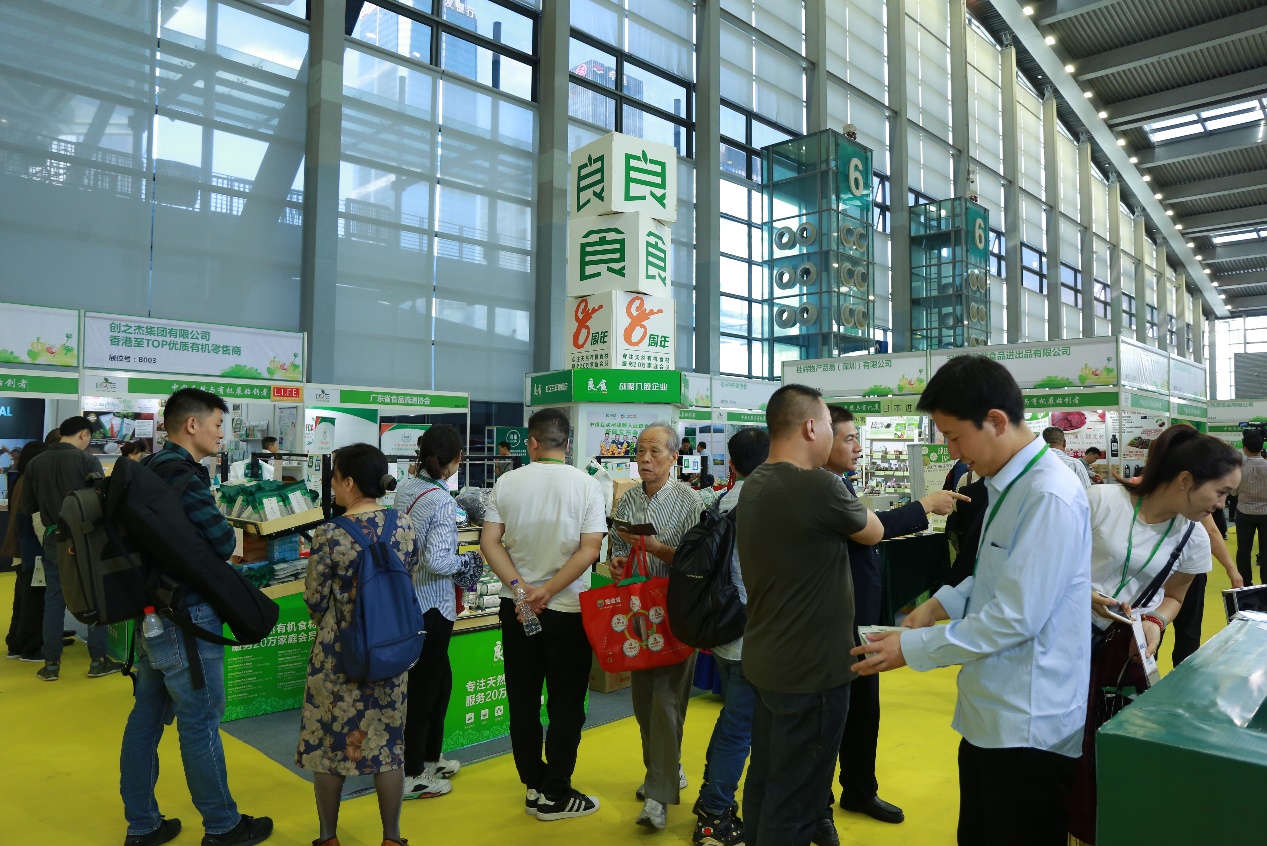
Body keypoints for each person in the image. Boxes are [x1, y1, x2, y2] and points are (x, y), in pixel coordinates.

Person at [852, 355, 1092, 846]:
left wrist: (910, 648)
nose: (952, 450)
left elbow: (1015, 617)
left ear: (997, 421)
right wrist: (939, 604)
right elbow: (993, 575)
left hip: (1028, 723)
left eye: (955, 436)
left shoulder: (1048, 494)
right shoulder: (1008, 485)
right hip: (992, 712)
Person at [120, 389, 273, 846]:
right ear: (192, 425)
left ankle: (143, 824)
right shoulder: (184, 475)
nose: (221, 434)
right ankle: (223, 825)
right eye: (218, 425)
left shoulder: (147, 470)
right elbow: (223, 542)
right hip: (187, 615)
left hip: (152, 612)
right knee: (200, 719)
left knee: (146, 716)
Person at [735, 384, 883, 846]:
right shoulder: (816, 485)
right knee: (797, 806)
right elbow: (874, 531)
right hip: (812, 672)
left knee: (766, 786)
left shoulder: (755, 483)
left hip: (769, 660)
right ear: (811, 427)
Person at [821, 406, 968, 840]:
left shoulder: (839, 483)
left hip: (861, 618)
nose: (857, 447)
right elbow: (873, 529)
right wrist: (924, 506)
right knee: (831, 716)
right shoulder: (819, 487)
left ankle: (859, 790)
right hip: (832, 620)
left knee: (864, 709)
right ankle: (818, 807)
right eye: (849, 438)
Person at [480, 408, 606, 822]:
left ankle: (534, 784)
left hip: (517, 610)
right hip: (567, 610)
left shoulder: (507, 482)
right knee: (566, 704)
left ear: (532, 443)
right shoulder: (587, 485)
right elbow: (590, 549)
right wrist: (547, 592)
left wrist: (522, 591)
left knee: (523, 701)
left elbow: (490, 542)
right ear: (567, 444)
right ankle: (556, 792)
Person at [297, 443, 415, 846]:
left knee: (328, 744)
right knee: (388, 744)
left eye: (334, 477)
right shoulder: (403, 525)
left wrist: (335, 621)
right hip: (391, 648)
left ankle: (328, 837)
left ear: (348, 482)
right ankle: (392, 837)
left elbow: (316, 599)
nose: (332, 484)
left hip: (338, 654)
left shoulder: (330, 534)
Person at [608, 423, 705, 832]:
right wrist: (616, 561)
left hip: (676, 614)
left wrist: (658, 548)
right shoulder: (629, 499)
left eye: (654, 452)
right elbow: (616, 545)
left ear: (673, 457)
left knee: (666, 701)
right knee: (644, 702)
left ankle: (657, 796)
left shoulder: (690, 501)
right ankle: (666, 769)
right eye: (640, 452)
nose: (645, 459)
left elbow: (699, 561)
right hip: (638, 616)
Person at [394, 424, 485, 800]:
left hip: (409, 600)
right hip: (433, 605)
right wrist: (468, 563)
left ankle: (430, 759)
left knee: (439, 682)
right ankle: (412, 773)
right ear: (457, 459)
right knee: (425, 689)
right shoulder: (443, 501)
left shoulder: (407, 488)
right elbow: (437, 560)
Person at [690, 427, 769, 846]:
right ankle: (714, 814)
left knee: (733, 722)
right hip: (754, 635)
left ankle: (714, 801)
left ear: (732, 465)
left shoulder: (721, 501)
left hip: (723, 629)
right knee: (739, 728)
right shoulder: (771, 503)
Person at [20, 415, 121, 681]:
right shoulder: (87, 460)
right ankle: (98, 660)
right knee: (94, 595)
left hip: (54, 537)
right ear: (84, 434)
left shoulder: (35, 463)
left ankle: (51, 664)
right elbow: (101, 503)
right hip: (85, 537)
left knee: (54, 598)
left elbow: (27, 506)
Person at [3, 441, 48, 661]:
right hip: (31, 547)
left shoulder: (20, 479)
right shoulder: (33, 481)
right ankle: (30, 647)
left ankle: (16, 643)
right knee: (33, 598)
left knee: (22, 597)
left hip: (20, 546)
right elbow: (36, 517)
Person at [1233, 428, 1267, 587]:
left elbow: (1233, 492)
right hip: (1266, 512)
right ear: (1262, 447)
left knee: (1243, 550)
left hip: (1244, 512)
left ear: (1245, 448)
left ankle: (1245, 583)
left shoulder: (1239, 468)